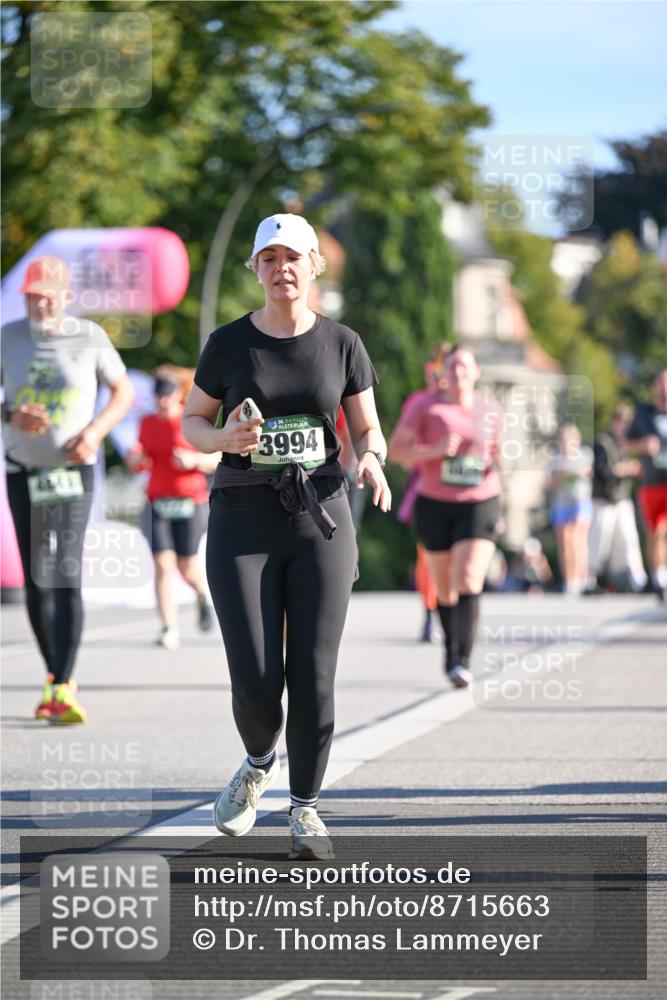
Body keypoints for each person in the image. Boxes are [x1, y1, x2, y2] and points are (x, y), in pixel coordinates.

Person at [182, 213, 391, 858]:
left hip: (320, 518)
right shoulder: (227, 344)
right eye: (269, 259)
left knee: (313, 671)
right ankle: (254, 762)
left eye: (293, 257)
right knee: (253, 673)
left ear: (313, 266)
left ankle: (305, 810)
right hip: (242, 518)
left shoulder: (342, 343)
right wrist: (222, 440)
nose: (282, 269)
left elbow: (365, 428)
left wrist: (372, 458)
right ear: (256, 269)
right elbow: (192, 421)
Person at [1, 255, 132, 723]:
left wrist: (95, 433)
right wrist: (10, 415)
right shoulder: (8, 338)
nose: (39, 302)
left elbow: (123, 393)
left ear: (65, 297)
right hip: (25, 469)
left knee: (66, 566)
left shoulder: (90, 338)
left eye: (48, 296)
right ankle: (53, 676)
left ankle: (63, 683)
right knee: (39, 574)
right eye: (32, 296)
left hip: (76, 470)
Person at [389, 343, 503, 689]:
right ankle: (451, 649)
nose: (458, 373)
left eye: (465, 366)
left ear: (476, 372)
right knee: (443, 586)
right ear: (443, 372)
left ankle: (462, 660)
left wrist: (498, 459)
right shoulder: (425, 406)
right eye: (452, 367)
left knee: (468, 578)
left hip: (480, 498)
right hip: (434, 501)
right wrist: (434, 451)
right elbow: (397, 451)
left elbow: (501, 449)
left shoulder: (489, 407)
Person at [125, 369, 216, 649]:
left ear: (179, 396)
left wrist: (193, 460)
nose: (163, 402)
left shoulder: (192, 422)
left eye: (168, 396)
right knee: (163, 564)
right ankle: (169, 627)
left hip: (191, 502)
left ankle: (202, 595)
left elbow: (216, 460)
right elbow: (139, 463)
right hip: (157, 501)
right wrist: (135, 459)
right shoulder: (148, 423)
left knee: (186, 566)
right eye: (158, 397)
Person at [396, 346, 448, 644]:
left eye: (442, 373)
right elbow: (403, 451)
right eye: (432, 373)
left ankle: (453, 612)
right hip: (426, 487)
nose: (437, 379)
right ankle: (430, 615)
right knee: (427, 556)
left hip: (463, 492)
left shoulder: (465, 403)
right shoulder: (418, 403)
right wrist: (430, 453)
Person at [587, 404, 647, 593]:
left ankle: (639, 579)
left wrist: (629, 468)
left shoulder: (626, 443)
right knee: (598, 542)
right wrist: (624, 469)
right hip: (603, 500)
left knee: (629, 539)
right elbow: (604, 472)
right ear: (616, 421)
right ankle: (589, 580)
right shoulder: (603, 442)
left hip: (621, 499)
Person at [627, 368, 667, 601]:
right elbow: (626, 443)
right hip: (651, 481)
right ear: (654, 387)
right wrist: (642, 445)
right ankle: (659, 578)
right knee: (654, 533)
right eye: (661, 383)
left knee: (664, 530)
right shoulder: (644, 413)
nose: (664, 388)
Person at [545, 424, 593, 595]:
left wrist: (573, 471)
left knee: (578, 541)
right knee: (565, 543)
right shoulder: (555, 459)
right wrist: (560, 476)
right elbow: (547, 485)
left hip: (580, 502)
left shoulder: (585, 454)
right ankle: (570, 581)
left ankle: (582, 578)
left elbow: (588, 473)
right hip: (560, 504)